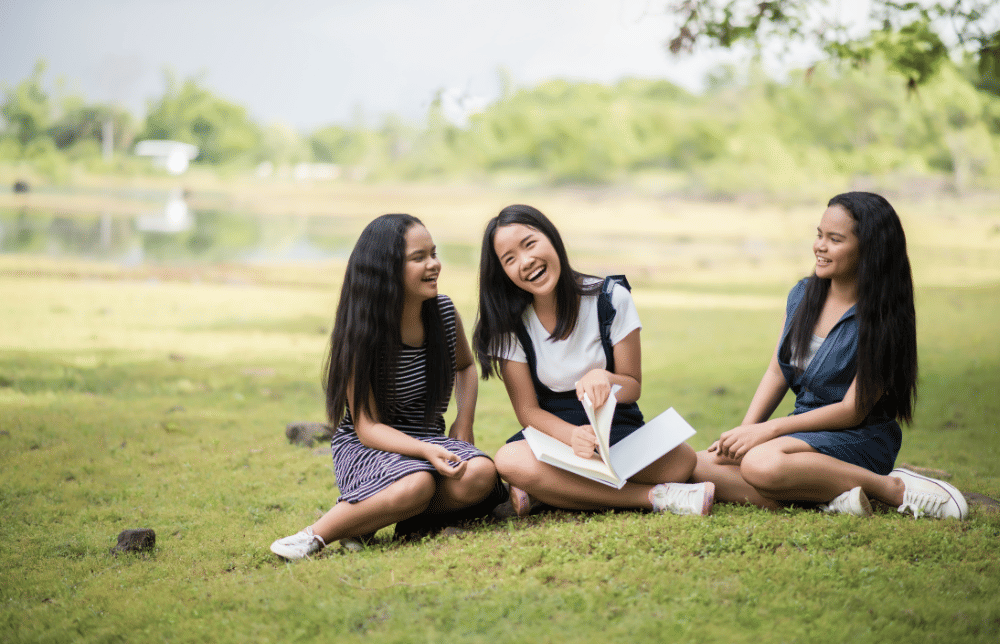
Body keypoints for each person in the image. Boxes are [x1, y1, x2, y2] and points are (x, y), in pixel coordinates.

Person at [692, 192, 967, 519]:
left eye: (835, 239)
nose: (820, 246)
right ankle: (831, 499)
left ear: (870, 249)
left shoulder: (885, 317)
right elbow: (777, 372)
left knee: (761, 464)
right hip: (799, 434)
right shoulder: (803, 294)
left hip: (857, 438)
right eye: (819, 235)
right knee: (693, 464)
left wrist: (767, 432)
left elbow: (852, 411)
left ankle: (889, 488)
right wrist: (742, 435)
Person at [270, 214, 500, 560]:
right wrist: (424, 453)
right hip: (369, 447)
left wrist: (463, 423)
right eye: (418, 257)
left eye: (434, 254)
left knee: (481, 474)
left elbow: (466, 366)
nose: (434, 264)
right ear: (386, 268)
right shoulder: (362, 334)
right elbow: (367, 428)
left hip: (428, 438)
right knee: (418, 483)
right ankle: (313, 537)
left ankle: (391, 516)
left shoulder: (444, 313)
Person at [473, 204, 714, 517]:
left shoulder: (611, 299)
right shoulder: (509, 325)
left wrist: (606, 378)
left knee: (682, 460)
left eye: (530, 244)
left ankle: (547, 491)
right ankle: (654, 497)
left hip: (615, 431)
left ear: (552, 238)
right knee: (509, 460)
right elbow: (528, 411)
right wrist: (571, 437)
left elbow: (633, 386)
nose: (526, 261)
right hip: (555, 437)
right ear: (503, 272)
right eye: (510, 259)